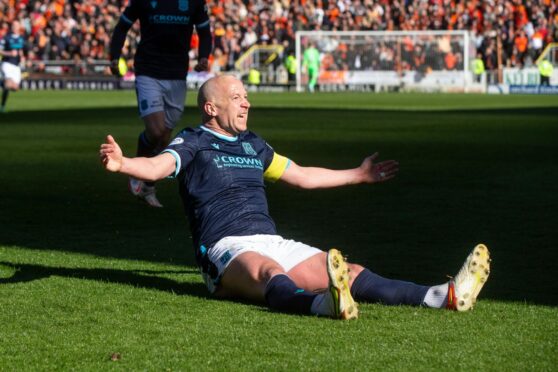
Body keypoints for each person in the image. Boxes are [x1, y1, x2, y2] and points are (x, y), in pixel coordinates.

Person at [99, 75, 491, 319]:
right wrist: (124, 164)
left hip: (271, 239)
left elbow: (301, 175)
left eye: (245, 95)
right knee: (272, 273)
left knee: (350, 273)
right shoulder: (194, 140)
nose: (246, 102)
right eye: (236, 97)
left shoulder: (254, 145)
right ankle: (323, 305)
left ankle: (442, 296)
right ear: (210, 108)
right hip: (226, 247)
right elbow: (156, 168)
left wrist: (358, 174)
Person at [108, 0, 213, 207]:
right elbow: (122, 26)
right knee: (156, 131)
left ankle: (147, 184)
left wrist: (203, 56)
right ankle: (135, 171)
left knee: (165, 135)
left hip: (176, 74)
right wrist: (114, 57)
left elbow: (204, 31)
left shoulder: (194, 2)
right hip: (148, 71)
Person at [0, 21, 25, 113]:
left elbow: (20, 50)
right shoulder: (6, 38)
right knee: (8, 83)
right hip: (7, 64)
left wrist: (22, 58)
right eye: (13, 25)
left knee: (15, 88)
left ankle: (2, 84)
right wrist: (9, 53)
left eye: (16, 25)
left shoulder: (21, 38)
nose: (15, 27)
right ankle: (2, 106)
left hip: (16, 66)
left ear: (19, 27)